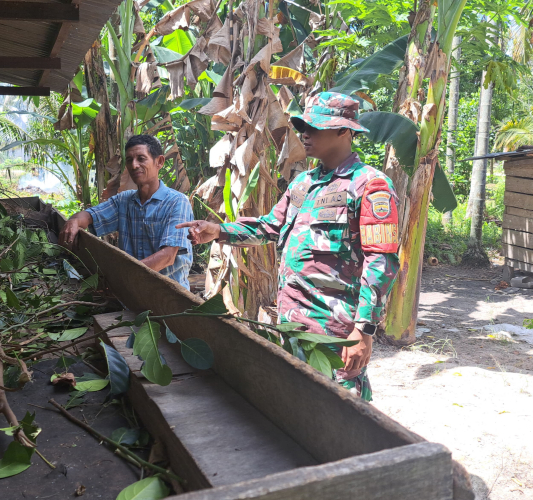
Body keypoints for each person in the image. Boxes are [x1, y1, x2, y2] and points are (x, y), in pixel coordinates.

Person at [176, 92, 399, 400]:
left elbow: (381, 262)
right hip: (291, 326)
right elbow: (269, 227)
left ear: (343, 130)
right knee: (299, 405)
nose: (304, 134)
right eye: (302, 126)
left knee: (342, 411)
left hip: (334, 332)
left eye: (314, 127)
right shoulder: (303, 183)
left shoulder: (369, 185)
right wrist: (218, 231)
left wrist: (364, 330)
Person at [59, 134, 194, 290]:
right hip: (130, 292)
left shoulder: (177, 202)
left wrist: (122, 277)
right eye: (129, 160)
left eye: (141, 159)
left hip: (168, 294)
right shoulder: (124, 200)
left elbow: (168, 256)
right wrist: (74, 221)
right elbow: (90, 216)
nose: (134, 165)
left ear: (159, 162)